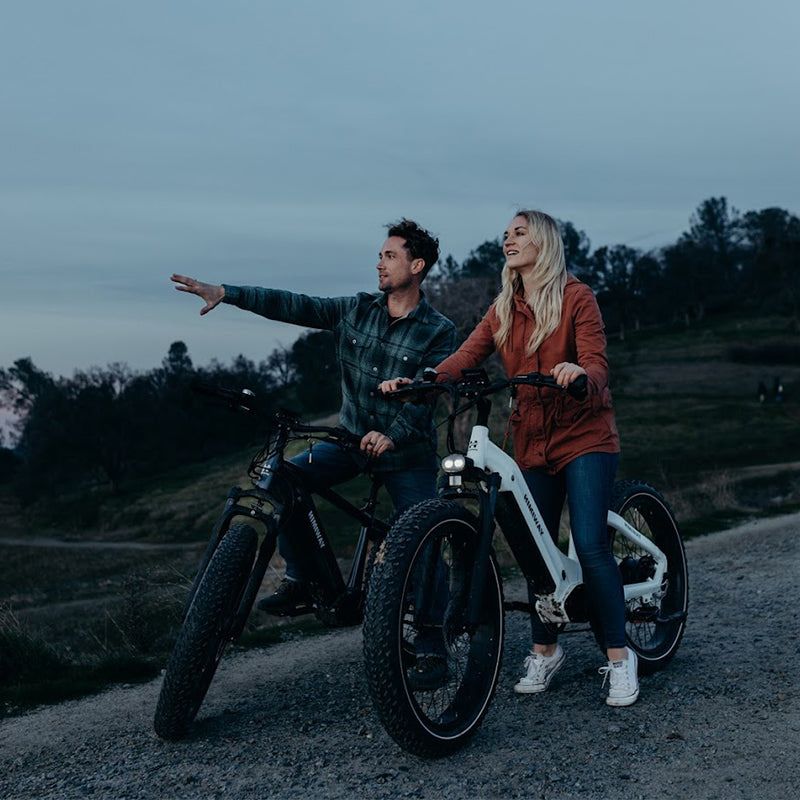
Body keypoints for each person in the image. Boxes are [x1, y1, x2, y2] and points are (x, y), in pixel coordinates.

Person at [380, 210, 637, 707]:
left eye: (519, 233)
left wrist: (580, 374)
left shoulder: (576, 297)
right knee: (534, 550)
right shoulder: (502, 308)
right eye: (505, 234)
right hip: (532, 442)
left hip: (585, 436)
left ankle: (620, 658)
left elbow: (597, 363)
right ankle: (546, 650)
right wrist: (425, 381)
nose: (508, 240)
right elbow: (466, 355)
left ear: (543, 242)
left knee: (589, 544)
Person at [172, 218, 456, 615]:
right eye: (380, 255)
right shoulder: (356, 310)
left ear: (417, 266)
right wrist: (226, 293)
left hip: (406, 453)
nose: (379, 263)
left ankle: (432, 637)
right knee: (285, 477)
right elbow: (296, 305)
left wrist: (392, 435)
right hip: (351, 441)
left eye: (390, 256)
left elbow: (427, 393)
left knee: (422, 535)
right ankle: (303, 580)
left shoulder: (439, 331)